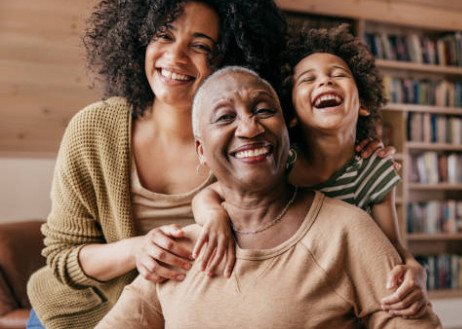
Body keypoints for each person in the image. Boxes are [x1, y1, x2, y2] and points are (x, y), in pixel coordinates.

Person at [97, 66, 442, 328]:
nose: (249, 128)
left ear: (286, 132)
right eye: (226, 117)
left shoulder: (346, 230)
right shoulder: (178, 252)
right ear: (202, 151)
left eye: (263, 110)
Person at [25, 1, 287, 328]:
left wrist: (364, 143)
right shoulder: (93, 129)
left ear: (228, 59)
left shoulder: (247, 141)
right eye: (163, 35)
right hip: (80, 314)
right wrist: (137, 250)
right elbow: (62, 257)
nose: (175, 57)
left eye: (200, 45)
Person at [192, 26, 429, 318]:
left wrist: (415, 269)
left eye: (338, 74)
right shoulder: (280, 162)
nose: (326, 80)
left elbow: (391, 246)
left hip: (344, 296)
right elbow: (209, 195)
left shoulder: (374, 169)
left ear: (364, 102)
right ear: (289, 114)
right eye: (308, 79)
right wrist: (213, 216)